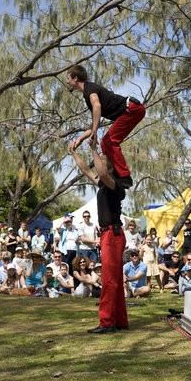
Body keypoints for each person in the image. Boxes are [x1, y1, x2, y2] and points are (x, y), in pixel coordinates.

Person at [70, 142, 129, 333]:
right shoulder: (104, 185)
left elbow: (101, 173)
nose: (98, 163)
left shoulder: (117, 186)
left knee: (110, 280)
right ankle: (119, 321)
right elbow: (87, 170)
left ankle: (107, 322)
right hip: (109, 234)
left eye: (103, 161)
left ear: (110, 166)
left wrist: (95, 148)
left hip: (113, 234)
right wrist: (74, 153)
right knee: (115, 281)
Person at [67, 64, 146, 187]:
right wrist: (80, 139)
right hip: (132, 110)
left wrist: (95, 131)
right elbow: (94, 122)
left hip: (131, 109)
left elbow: (97, 106)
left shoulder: (89, 89)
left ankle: (124, 177)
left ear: (75, 78)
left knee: (108, 141)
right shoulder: (88, 91)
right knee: (107, 142)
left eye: (68, 78)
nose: (67, 81)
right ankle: (117, 174)